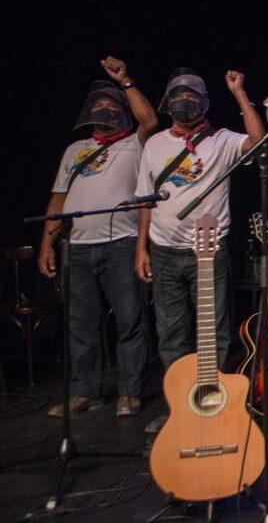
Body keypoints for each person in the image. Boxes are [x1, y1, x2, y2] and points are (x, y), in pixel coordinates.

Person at [134, 67, 267, 432]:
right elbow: (145, 201)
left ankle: (213, 405)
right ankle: (179, 409)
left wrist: (240, 94)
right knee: (171, 337)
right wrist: (141, 248)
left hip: (208, 252)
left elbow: (258, 142)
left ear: (205, 103)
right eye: (178, 96)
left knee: (214, 335)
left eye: (192, 96)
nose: (185, 101)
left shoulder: (221, 140)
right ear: (167, 103)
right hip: (164, 251)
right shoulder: (155, 144)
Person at [39, 56, 158, 418]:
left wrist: (125, 81)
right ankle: (85, 392)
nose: (105, 108)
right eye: (99, 103)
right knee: (80, 325)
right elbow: (58, 199)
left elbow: (150, 120)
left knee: (130, 320)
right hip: (76, 248)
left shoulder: (134, 144)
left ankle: (130, 393)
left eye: (112, 104)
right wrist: (47, 244)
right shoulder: (75, 150)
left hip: (121, 245)